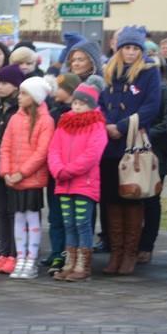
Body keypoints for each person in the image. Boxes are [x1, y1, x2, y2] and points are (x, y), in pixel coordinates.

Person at [99, 26, 161, 276]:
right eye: (127, 47)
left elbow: (152, 106)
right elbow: (102, 102)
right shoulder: (109, 72)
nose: (131, 52)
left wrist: (123, 126)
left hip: (132, 142)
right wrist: (105, 124)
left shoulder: (149, 72)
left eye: (135, 48)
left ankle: (130, 253)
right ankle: (115, 251)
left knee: (132, 197)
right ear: (119, 48)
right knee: (112, 198)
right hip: (109, 145)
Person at [48, 79, 108, 282]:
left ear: (91, 105)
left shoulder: (97, 125)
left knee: (82, 223)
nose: (77, 106)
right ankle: (70, 262)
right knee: (68, 223)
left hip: (84, 183)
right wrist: (58, 169)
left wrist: (69, 171)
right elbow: (54, 149)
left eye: (82, 103)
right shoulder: (64, 123)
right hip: (63, 183)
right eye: (75, 103)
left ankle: (83, 264)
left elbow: (92, 155)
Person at [0, 76, 54, 279]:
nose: (19, 97)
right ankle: (20, 257)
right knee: (18, 218)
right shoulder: (14, 119)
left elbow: (42, 152)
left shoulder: (46, 121)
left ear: (35, 96)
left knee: (32, 217)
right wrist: (6, 172)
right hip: (14, 178)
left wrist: (21, 172)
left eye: (24, 93)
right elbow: (5, 146)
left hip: (31, 179)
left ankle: (31, 259)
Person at [40, 73, 80, 275]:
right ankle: (57, 251)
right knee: (55, 216)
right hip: (54, 172)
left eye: (60, 87)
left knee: (70, 217)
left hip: (71, 173)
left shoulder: (76, 115)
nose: (55, 91)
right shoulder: (53, 112)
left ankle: (70, 253)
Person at [0, 65, 23, 274]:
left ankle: (14, 254)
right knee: (0, 212)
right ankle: (4, 251)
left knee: (12, 212)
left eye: (5, 83)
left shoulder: (18, 109)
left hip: (11, 168)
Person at [138, 58, 167, 265]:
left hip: (155, 152)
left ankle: (147, 245)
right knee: (133, 197)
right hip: (134, 151)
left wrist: (145, 133)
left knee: (152, 200)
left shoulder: (165, 89)